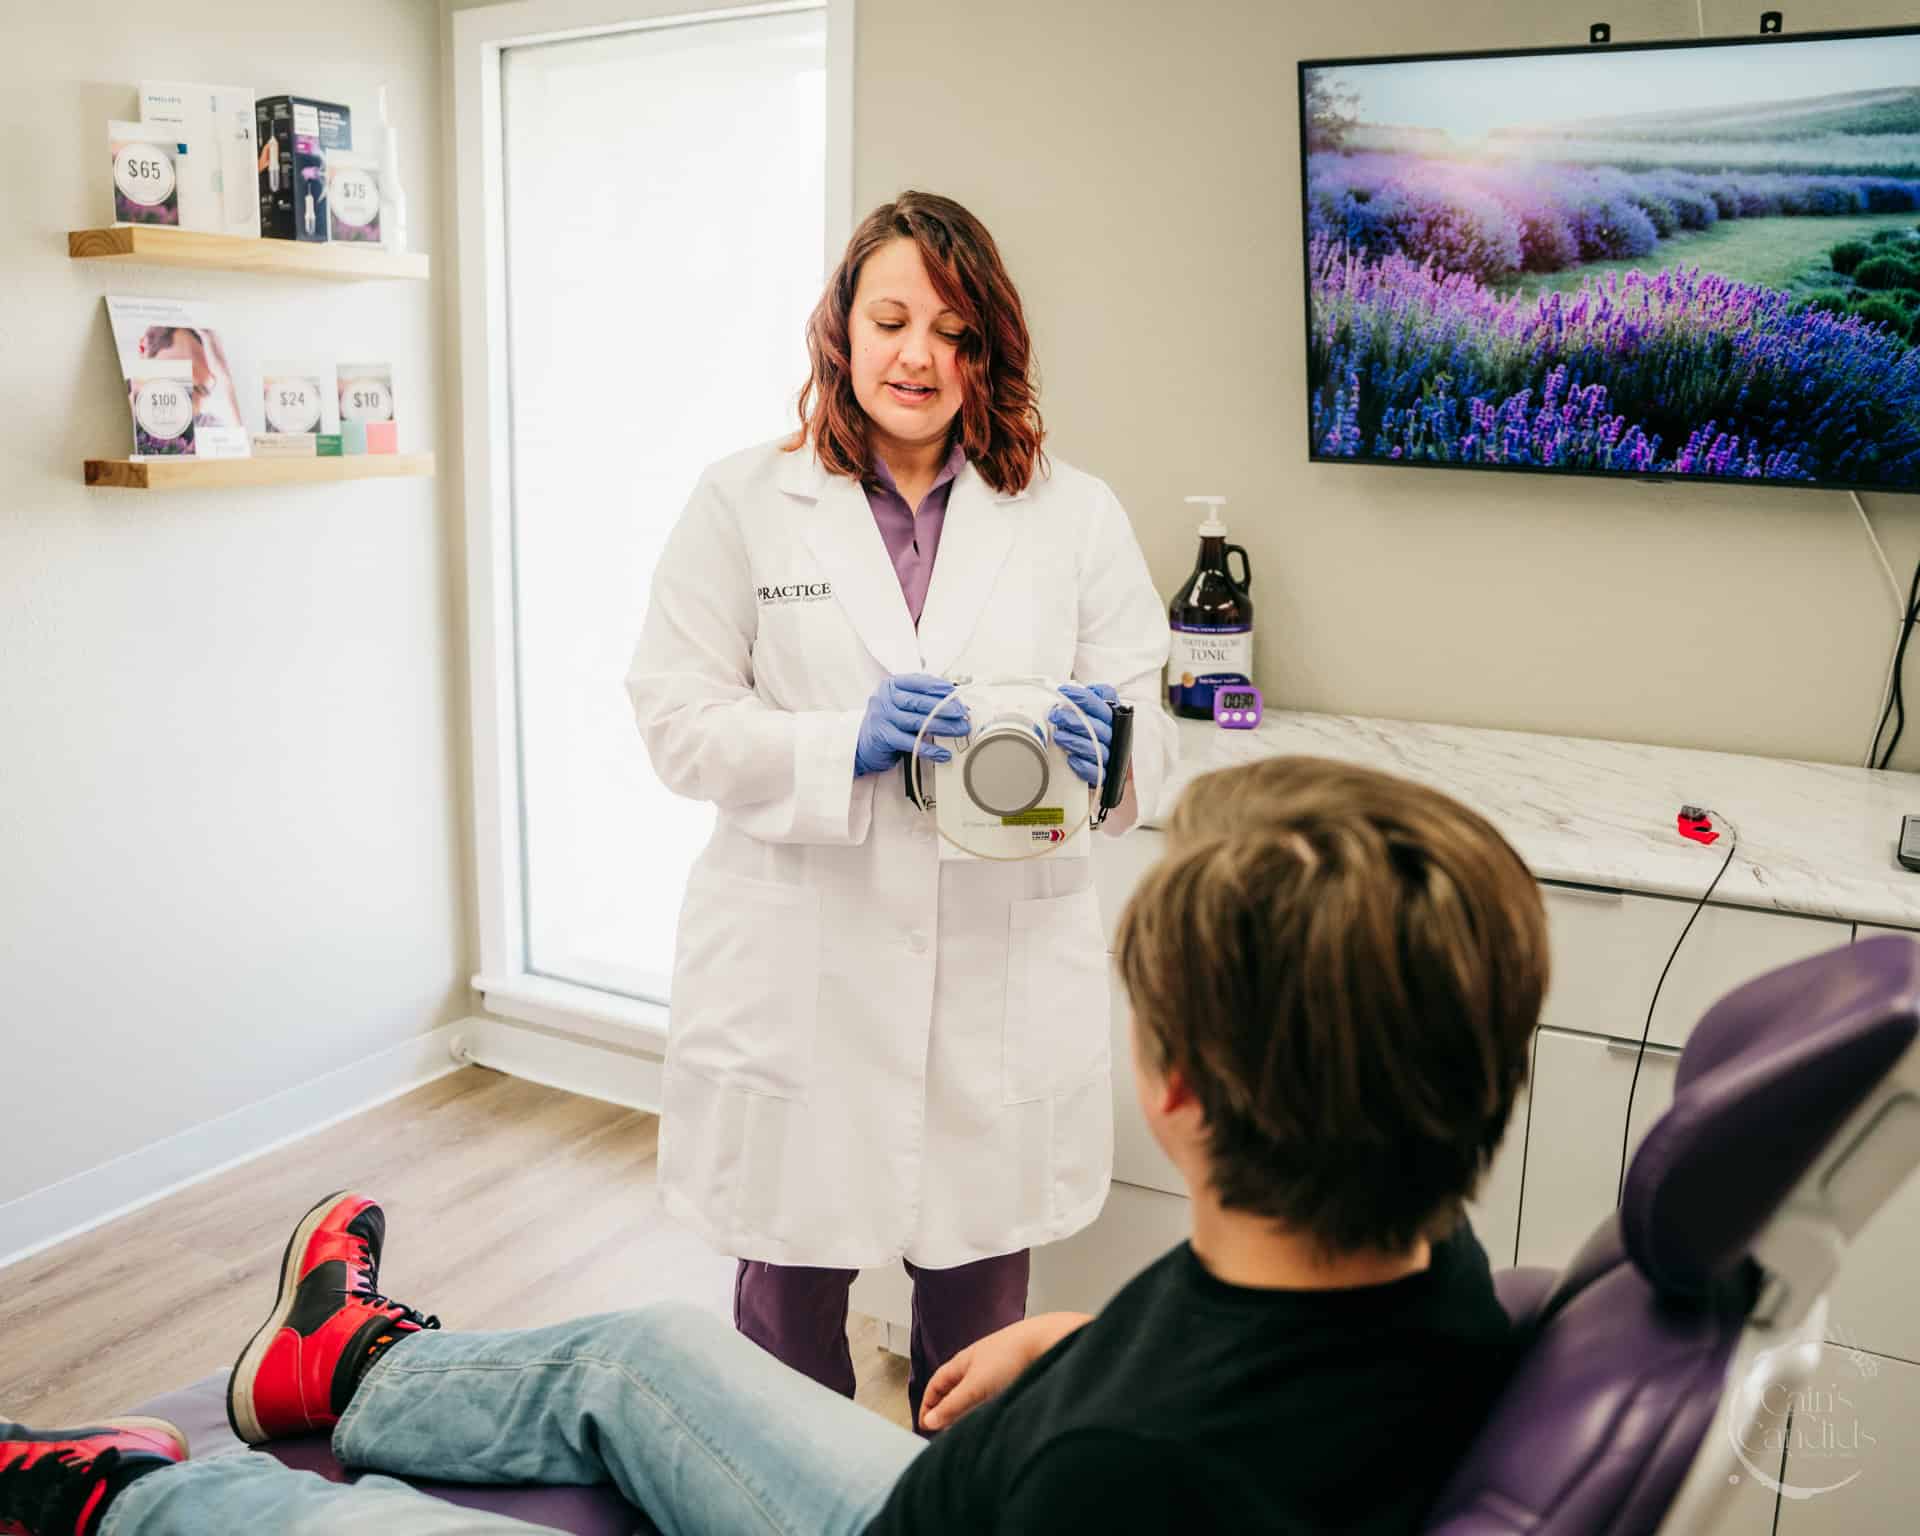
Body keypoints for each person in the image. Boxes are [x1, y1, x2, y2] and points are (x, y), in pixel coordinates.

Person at [3, 754, 1547, 1535]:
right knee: (651, 1351)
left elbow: (1168, 1456)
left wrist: (1089, 1405)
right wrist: (1072, 1340)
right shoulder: (1429, 1248)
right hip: (954, 1496)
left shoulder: (1125, 1481)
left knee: (369, 1532)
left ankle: (128, 1496)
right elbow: (1250, 1364)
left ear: (1180, 1094)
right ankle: (345, 1366)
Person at [623, 190, 1176, 1426]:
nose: (918, 355)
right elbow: (674, 719)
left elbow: (1154, 722)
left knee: (980, 1357)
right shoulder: (744, 503)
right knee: (780, 1349)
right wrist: (840, 746)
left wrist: (1113, 750)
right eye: (891, 320)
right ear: (843, 333)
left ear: (991, 354)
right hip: (802, 977)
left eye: (954, 331)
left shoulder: (1072, 514)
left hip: (997, 981)